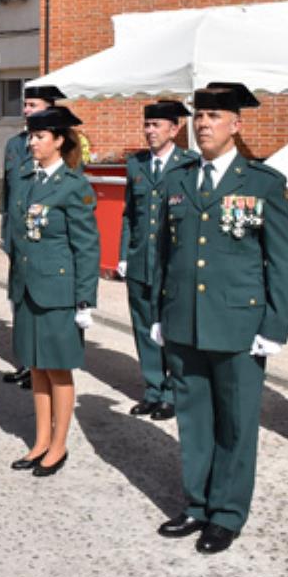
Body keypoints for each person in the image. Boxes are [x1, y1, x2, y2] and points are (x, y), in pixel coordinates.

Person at [150, 85, 288, 554]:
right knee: (193, 420)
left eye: (214, 116)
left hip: (238, 326)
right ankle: (196, 505)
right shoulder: (177, 180)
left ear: (236, 124)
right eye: (199, 116)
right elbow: (163, 255)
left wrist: (275, 327)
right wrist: (158, 313)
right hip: (184, 323)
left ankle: (227, 514)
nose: (203, 124)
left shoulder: (262, 183)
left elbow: (280, 259)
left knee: (235, 424)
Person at [6, 107, 99, 471]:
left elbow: (87, 246)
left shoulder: (74, 186)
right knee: (37, 367)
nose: (32, 142)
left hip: (59, 291)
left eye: (40, 137)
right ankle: (41, 439)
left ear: (59, 141)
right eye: (31, 136)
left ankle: (59, 445)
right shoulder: (28, 180)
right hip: (29, 287)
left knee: (58, 369)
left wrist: (84, 300)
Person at [118, 100, 196, 421]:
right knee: (143, 327)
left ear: (174, 129)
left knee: (171, 330)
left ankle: (172, 393)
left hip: (171, 263)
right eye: (147, 125)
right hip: (140, 260)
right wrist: (123, 255)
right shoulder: (136, 164)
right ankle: (152, 389)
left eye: (157, 125)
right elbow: (129, 215)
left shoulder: (188, 164)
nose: (150, 131)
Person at [1, 83, 63, 387]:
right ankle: (26, 361)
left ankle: (46, 364)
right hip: (18, 235)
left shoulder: (63, 142)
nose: (26, 110)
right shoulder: (15, 144)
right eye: (25, 105)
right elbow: (8, 191)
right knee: (20, 298)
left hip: (46, 235)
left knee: (43, 300)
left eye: (33, 105)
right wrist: (6, 233)